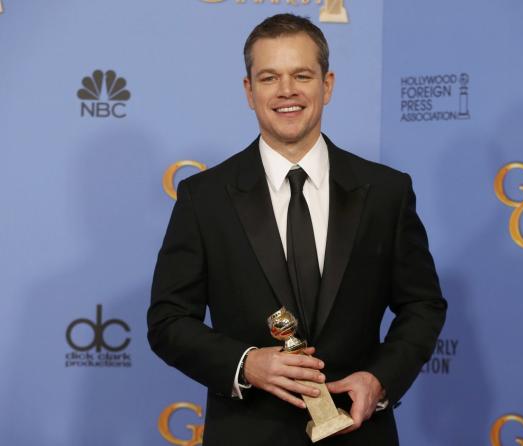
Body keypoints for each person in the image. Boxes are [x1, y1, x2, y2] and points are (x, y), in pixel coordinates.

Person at [148, 13, 446, 446]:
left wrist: (380, 380)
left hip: (359, 433)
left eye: (301, 75)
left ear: (326, 85)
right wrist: (246, 364)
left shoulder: (386, 191)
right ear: (249, 91)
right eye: (269, 78)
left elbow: (422, 305)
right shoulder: (203, 198)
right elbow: (168, 320)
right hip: (247, 433)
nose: (286, 91)